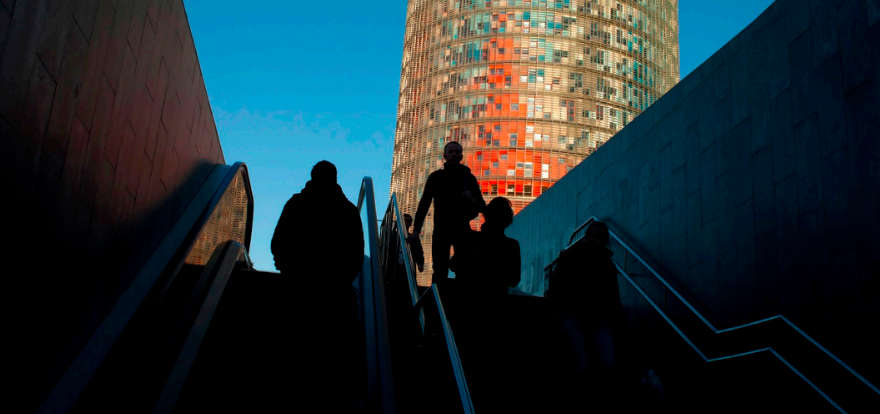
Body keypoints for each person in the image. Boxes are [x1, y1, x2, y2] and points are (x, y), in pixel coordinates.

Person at [270, 160, 366, 409]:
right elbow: (356, 252)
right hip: (334, 290)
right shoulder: (347, 209)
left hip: (300, 287)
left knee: (297, 343)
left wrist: (288, 270)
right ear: (336, 178)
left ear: (312, 177)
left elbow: (278, 242)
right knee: (339, 345)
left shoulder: (296, 203)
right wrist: (341, 279)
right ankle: (341, 394)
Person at [448, 197, 521, 410]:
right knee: (486, 359)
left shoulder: (472, 239)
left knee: (469, 356)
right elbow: (513, 278)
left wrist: (480, 261)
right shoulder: (509, 245)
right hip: (490, 307)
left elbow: (454, 264)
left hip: (470, 305)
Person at [548, 221, 623, 407]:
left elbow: (613, 296)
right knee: (581, 366)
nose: (597, 241)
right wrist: (555, 314)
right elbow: (556, 288)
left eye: (601, 238)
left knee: (602, 364)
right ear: (587, 237)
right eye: (594, 237)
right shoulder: (573, 258)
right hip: (577, 316)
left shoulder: (605, 264)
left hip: (595, 318)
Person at [407, 141, 486, 286]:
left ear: (461, 156)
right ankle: (439, 296)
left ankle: (456, 295)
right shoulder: (436, 177)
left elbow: (481, 206)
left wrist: (472, 199)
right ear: (445, 156)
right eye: (451, 152)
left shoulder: (469, 178)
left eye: (457, 152)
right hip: (441, 230)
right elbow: (424, 204)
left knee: (464, 267)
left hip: (462, 229)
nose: (454, 154)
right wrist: (417, 230)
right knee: (440, 268)